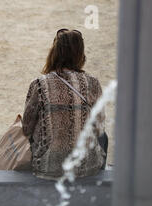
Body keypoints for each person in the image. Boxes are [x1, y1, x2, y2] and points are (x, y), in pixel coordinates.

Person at [22, 28, 107, 179]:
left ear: (54, 52)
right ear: (80, 54)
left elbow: (27, 128)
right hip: (87, 167)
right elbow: (99, 127)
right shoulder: (93, 83)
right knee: (103, 137)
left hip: (49, 167)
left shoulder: (39, 84)